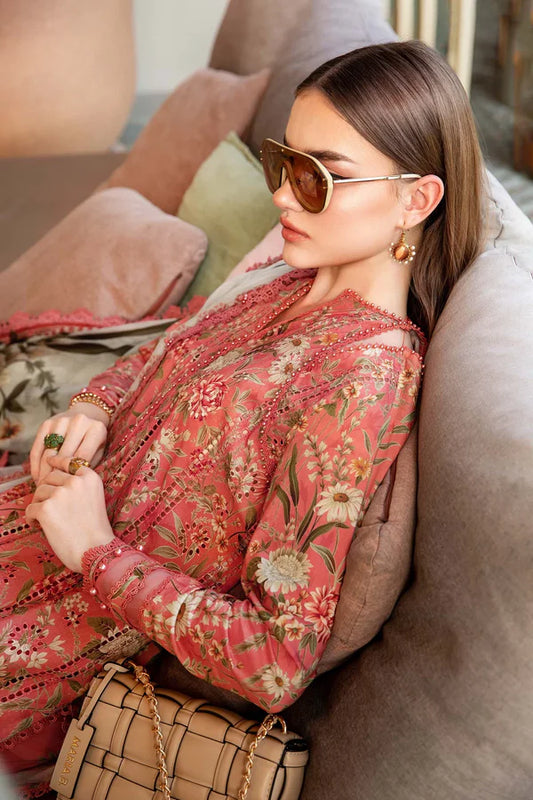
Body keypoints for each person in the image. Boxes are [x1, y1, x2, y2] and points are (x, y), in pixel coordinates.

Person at [0, 40, 484, 797]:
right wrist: (91, 406)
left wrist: (94, 549)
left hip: (37, 649)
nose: (285, 197)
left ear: (416, 200)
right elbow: (172, 345)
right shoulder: (284, 277)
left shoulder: (363, 381)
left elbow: (272, 659)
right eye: (282, 163)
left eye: (318, 177)